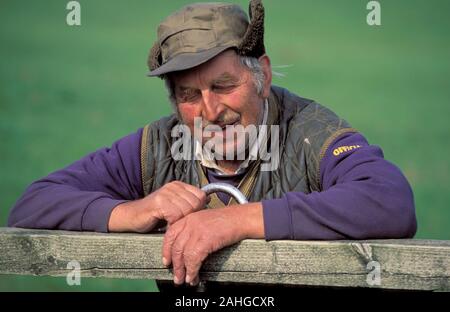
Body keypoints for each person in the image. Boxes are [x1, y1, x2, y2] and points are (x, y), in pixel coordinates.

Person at [8, 0, 416, 290]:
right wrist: (133, 211)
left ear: (263, 75)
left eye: (224, 86)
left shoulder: (313, 134)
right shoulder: (157, 146)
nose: (209, 110)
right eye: (189, 94)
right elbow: (34, 204)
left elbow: (389, 201)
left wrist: (234, 221)